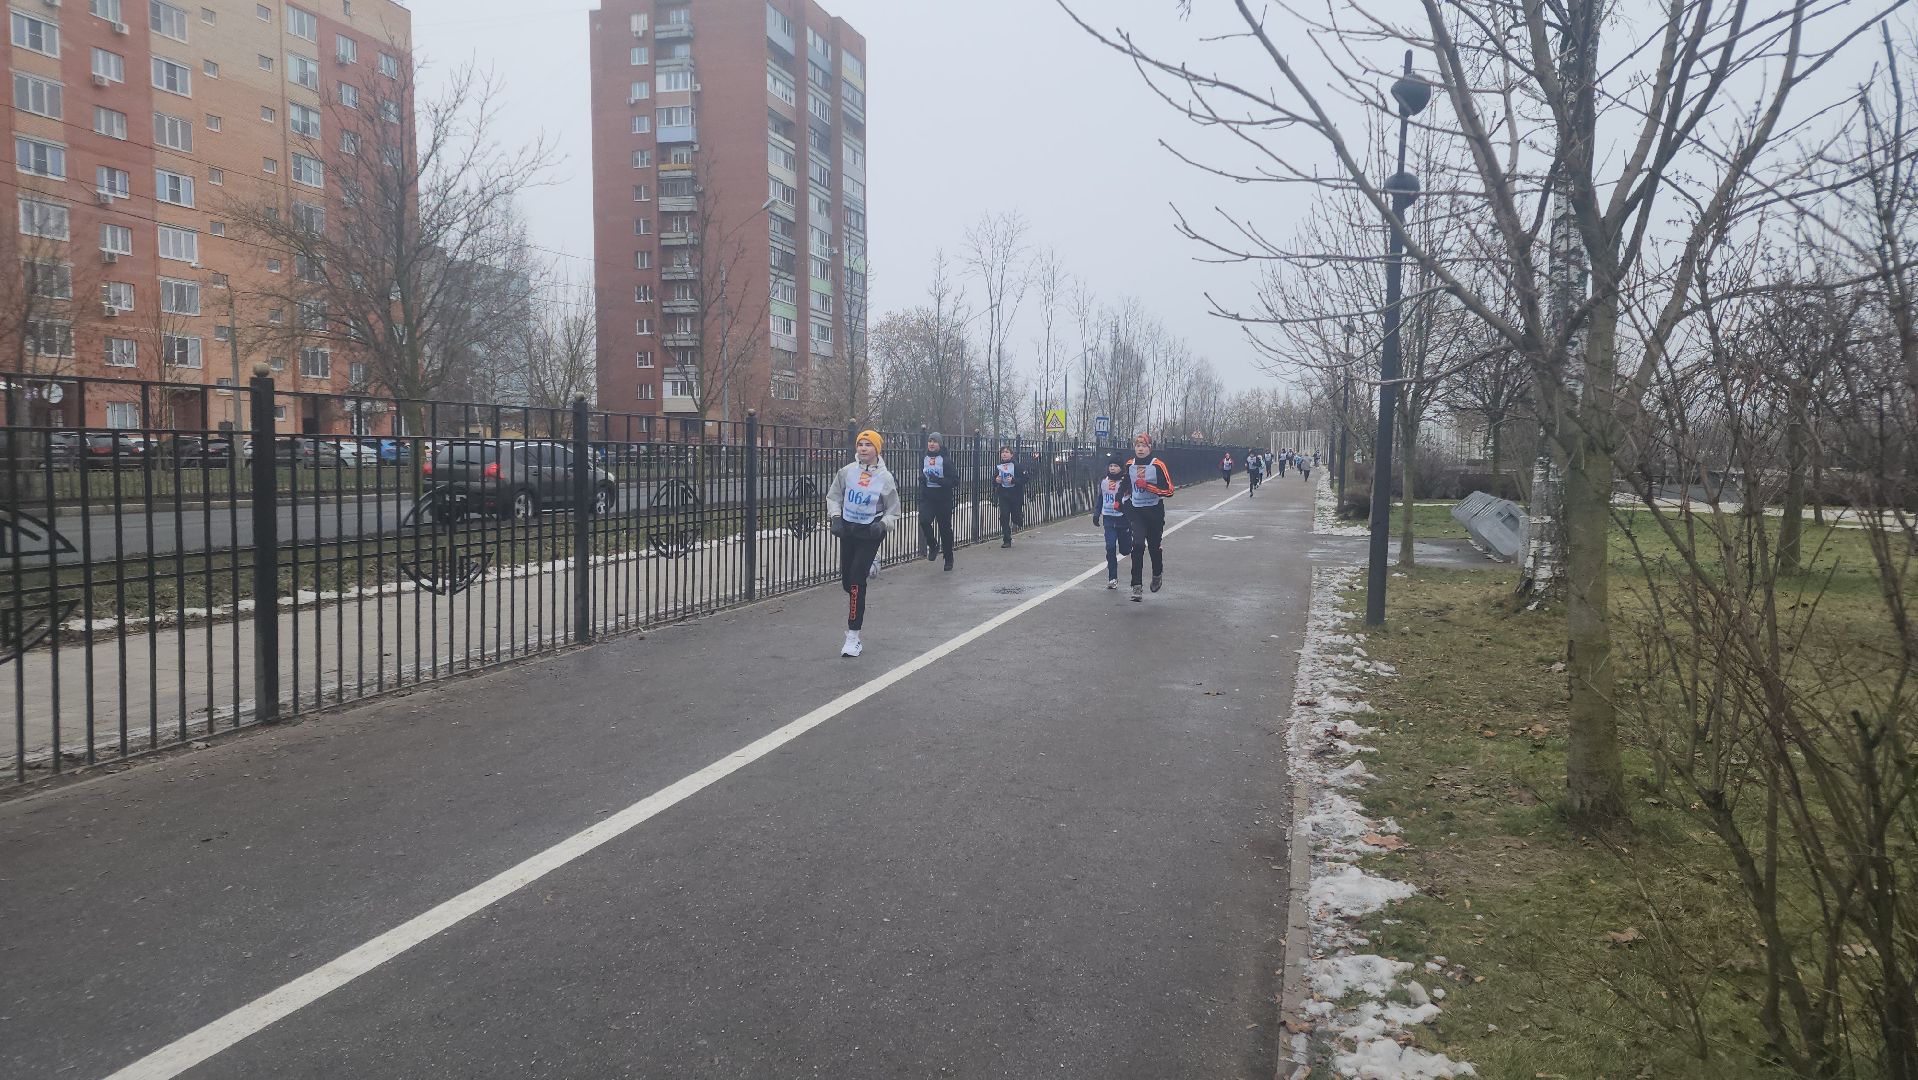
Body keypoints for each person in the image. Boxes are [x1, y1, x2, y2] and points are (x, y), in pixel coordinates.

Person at [828, 430, 902, 658]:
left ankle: (853, 636)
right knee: (847, 582)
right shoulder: (847, 472)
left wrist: (882, 525)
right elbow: (834, 496)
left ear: (877, 449)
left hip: (870, 531)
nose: (863, 448)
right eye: (860, 443)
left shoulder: (885, 478)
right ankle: (871, 564)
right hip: (849, 529)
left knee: (856, 581)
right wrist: (836, 517)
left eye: (868, 444)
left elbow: (894, 511)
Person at [1125, 434, 1176, 602]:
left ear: (1150, 448)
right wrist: (1120, 500)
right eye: (1137, 445)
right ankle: (1136, 586)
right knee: (1137, 545)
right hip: (1137, 511)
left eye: (1144, 446)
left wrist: (1149, 487)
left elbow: (1169, 490)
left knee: (1154, 547)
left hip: (1154, 512)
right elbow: (1125, 485)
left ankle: (1157, 574)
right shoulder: (1129, 464)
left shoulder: (1158, 465)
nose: (1140, 449)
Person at [918, 431, 957, 571]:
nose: (931, 444)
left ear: (939, 444)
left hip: (943, 499)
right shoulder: (924, 458)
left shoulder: (946, 460)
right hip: (928, 498)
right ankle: (933, 545)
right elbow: (923, 473)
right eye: (930, 441)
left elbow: (955, 481)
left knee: (944, 529)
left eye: (934, 441)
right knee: (924, 520)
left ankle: (948, 558)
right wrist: (923, 479)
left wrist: (939, 480)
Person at [1092, 455, 1132, 588]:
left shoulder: (1125, 481)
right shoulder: (1104, 481)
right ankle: (1112, 578)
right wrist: (1096, 514)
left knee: (1125, 550)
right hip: (1108, 519)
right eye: (1111, 466)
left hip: (1123, 519)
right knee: (1110, 547)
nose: (1112, 468)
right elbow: (1101, 498)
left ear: (1121, 468)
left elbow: (1131, 499)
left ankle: (1127, 545)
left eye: (1115, 466)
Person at [990, 444, 1026, 547]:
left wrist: (1014, 480)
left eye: (1006, 452)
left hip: (1016, 495)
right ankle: (1007, 539)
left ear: (1011, 454)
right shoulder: (999, 466)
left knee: (1015, 516)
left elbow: (1025, 478)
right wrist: (996, 480)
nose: (1004, 454)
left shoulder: (1017, 466)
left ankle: (1018, 517)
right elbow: (993, 480)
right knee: (1004, 516)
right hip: (1003, 494)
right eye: (1002, 452)